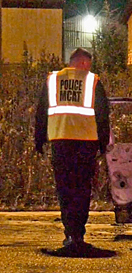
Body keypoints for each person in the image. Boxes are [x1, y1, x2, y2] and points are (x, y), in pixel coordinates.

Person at [34, 48, 110, 256]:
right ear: (85, 63)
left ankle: (70, 235)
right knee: (82, 190)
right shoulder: (92, 81)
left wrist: (39, 139)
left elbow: (42, 110)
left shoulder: (53, 80)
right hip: (86, 144)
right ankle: (78, 236)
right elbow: (102, 115)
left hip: (60, 142)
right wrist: (103, 144)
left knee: (65, 190)